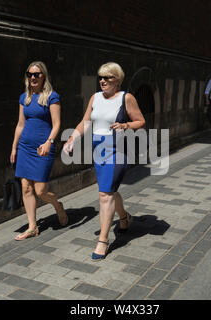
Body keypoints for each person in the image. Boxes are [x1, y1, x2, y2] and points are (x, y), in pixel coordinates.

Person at [63, 62, 146, 261]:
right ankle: (124, 218)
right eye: (100, 77)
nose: (102, 81)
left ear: (117, 80)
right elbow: (85, 121)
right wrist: (72, 139)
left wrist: (125, 124)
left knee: (104, 194)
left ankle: (103, 240)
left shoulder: (126, 98)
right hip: (98, 150)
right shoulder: (95, 98)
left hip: (117, 149)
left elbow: (140, 121)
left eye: (107, 78)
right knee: (108, 191)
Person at [10, 61, 68, 241]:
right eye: (30, 74)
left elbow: (57, 123)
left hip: (44, 147)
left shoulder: (52, 97)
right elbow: (20, 125)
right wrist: (14, 147)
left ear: (44, 76)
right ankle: (32, 226)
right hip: (25, 148)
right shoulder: (24, 98)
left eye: (37, 74)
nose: (33, 77)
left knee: (41, 190)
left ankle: (58, 206)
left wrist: (49, 142)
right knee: (26, 187)